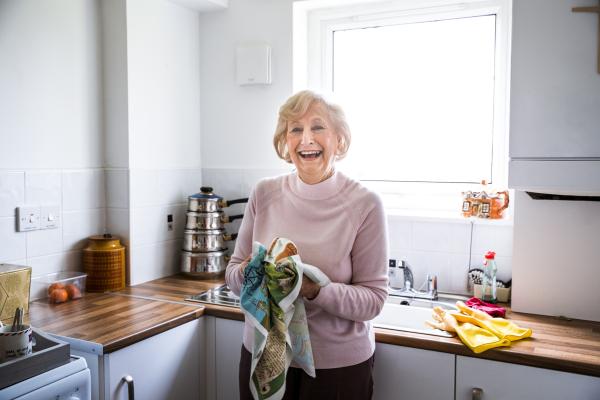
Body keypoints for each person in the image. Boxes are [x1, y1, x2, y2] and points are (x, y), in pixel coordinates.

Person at [225, 90, 389, 400]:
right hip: (263, 357)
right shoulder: (264, 193)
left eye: (318, 127)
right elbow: (233, 275)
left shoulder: (364, 204)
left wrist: (314, 290)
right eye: (295, 129)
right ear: (284, 142)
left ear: (339, 140)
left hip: (336, 368)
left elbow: (374, 300)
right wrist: (251, 272)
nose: (306, 139)